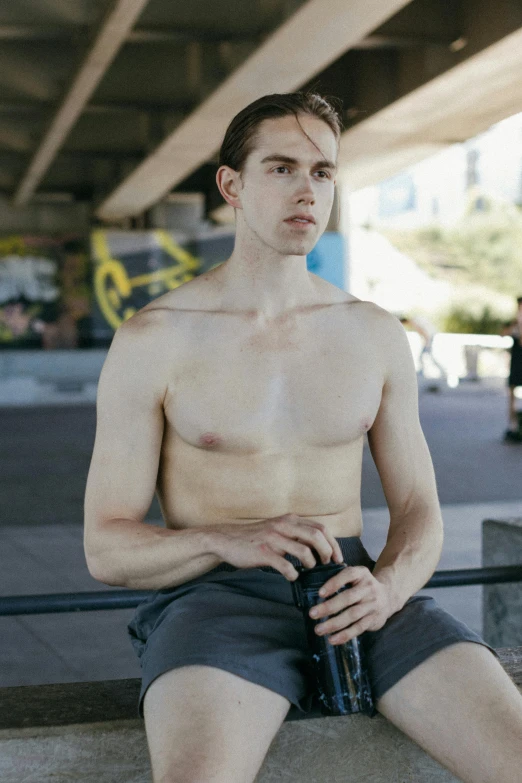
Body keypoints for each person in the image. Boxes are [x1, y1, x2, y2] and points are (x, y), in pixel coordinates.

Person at [83, 92, 522, 783]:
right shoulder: (154, 339)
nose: (307, 191)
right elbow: (105, 545)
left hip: (355, 588)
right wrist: (218, 539)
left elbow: (419, 512)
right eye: (282, 168)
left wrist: (388, 587)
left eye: (322, 172)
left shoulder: (373, 332)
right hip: (215, 597)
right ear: (232, 184)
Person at [399, 314, 448, 391]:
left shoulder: (413, 322)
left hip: (429, 337)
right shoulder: (415, 319)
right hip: (430, 336)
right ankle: (438, 372)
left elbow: (423, 332)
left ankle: (440, 372)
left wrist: (426, 342)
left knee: (425, 357)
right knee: (426, 356)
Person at [500, 296, 522, 442]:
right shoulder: (514, 322)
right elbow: (502, 333)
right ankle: (513, 425)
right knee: (512, 392)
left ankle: (516, 425)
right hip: (516, 361)